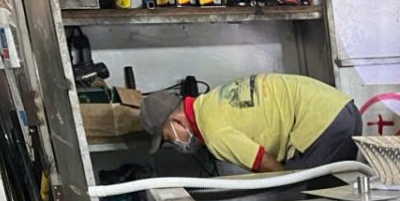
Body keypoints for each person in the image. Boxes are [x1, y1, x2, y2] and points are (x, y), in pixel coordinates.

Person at [139, 73, 361, 173]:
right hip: (338, 109)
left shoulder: (214, 133)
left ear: (177, 120)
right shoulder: (209, 102)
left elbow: (269, 167)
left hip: (324, 123)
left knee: (308, 196)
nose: (176, 144)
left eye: (168, 137)